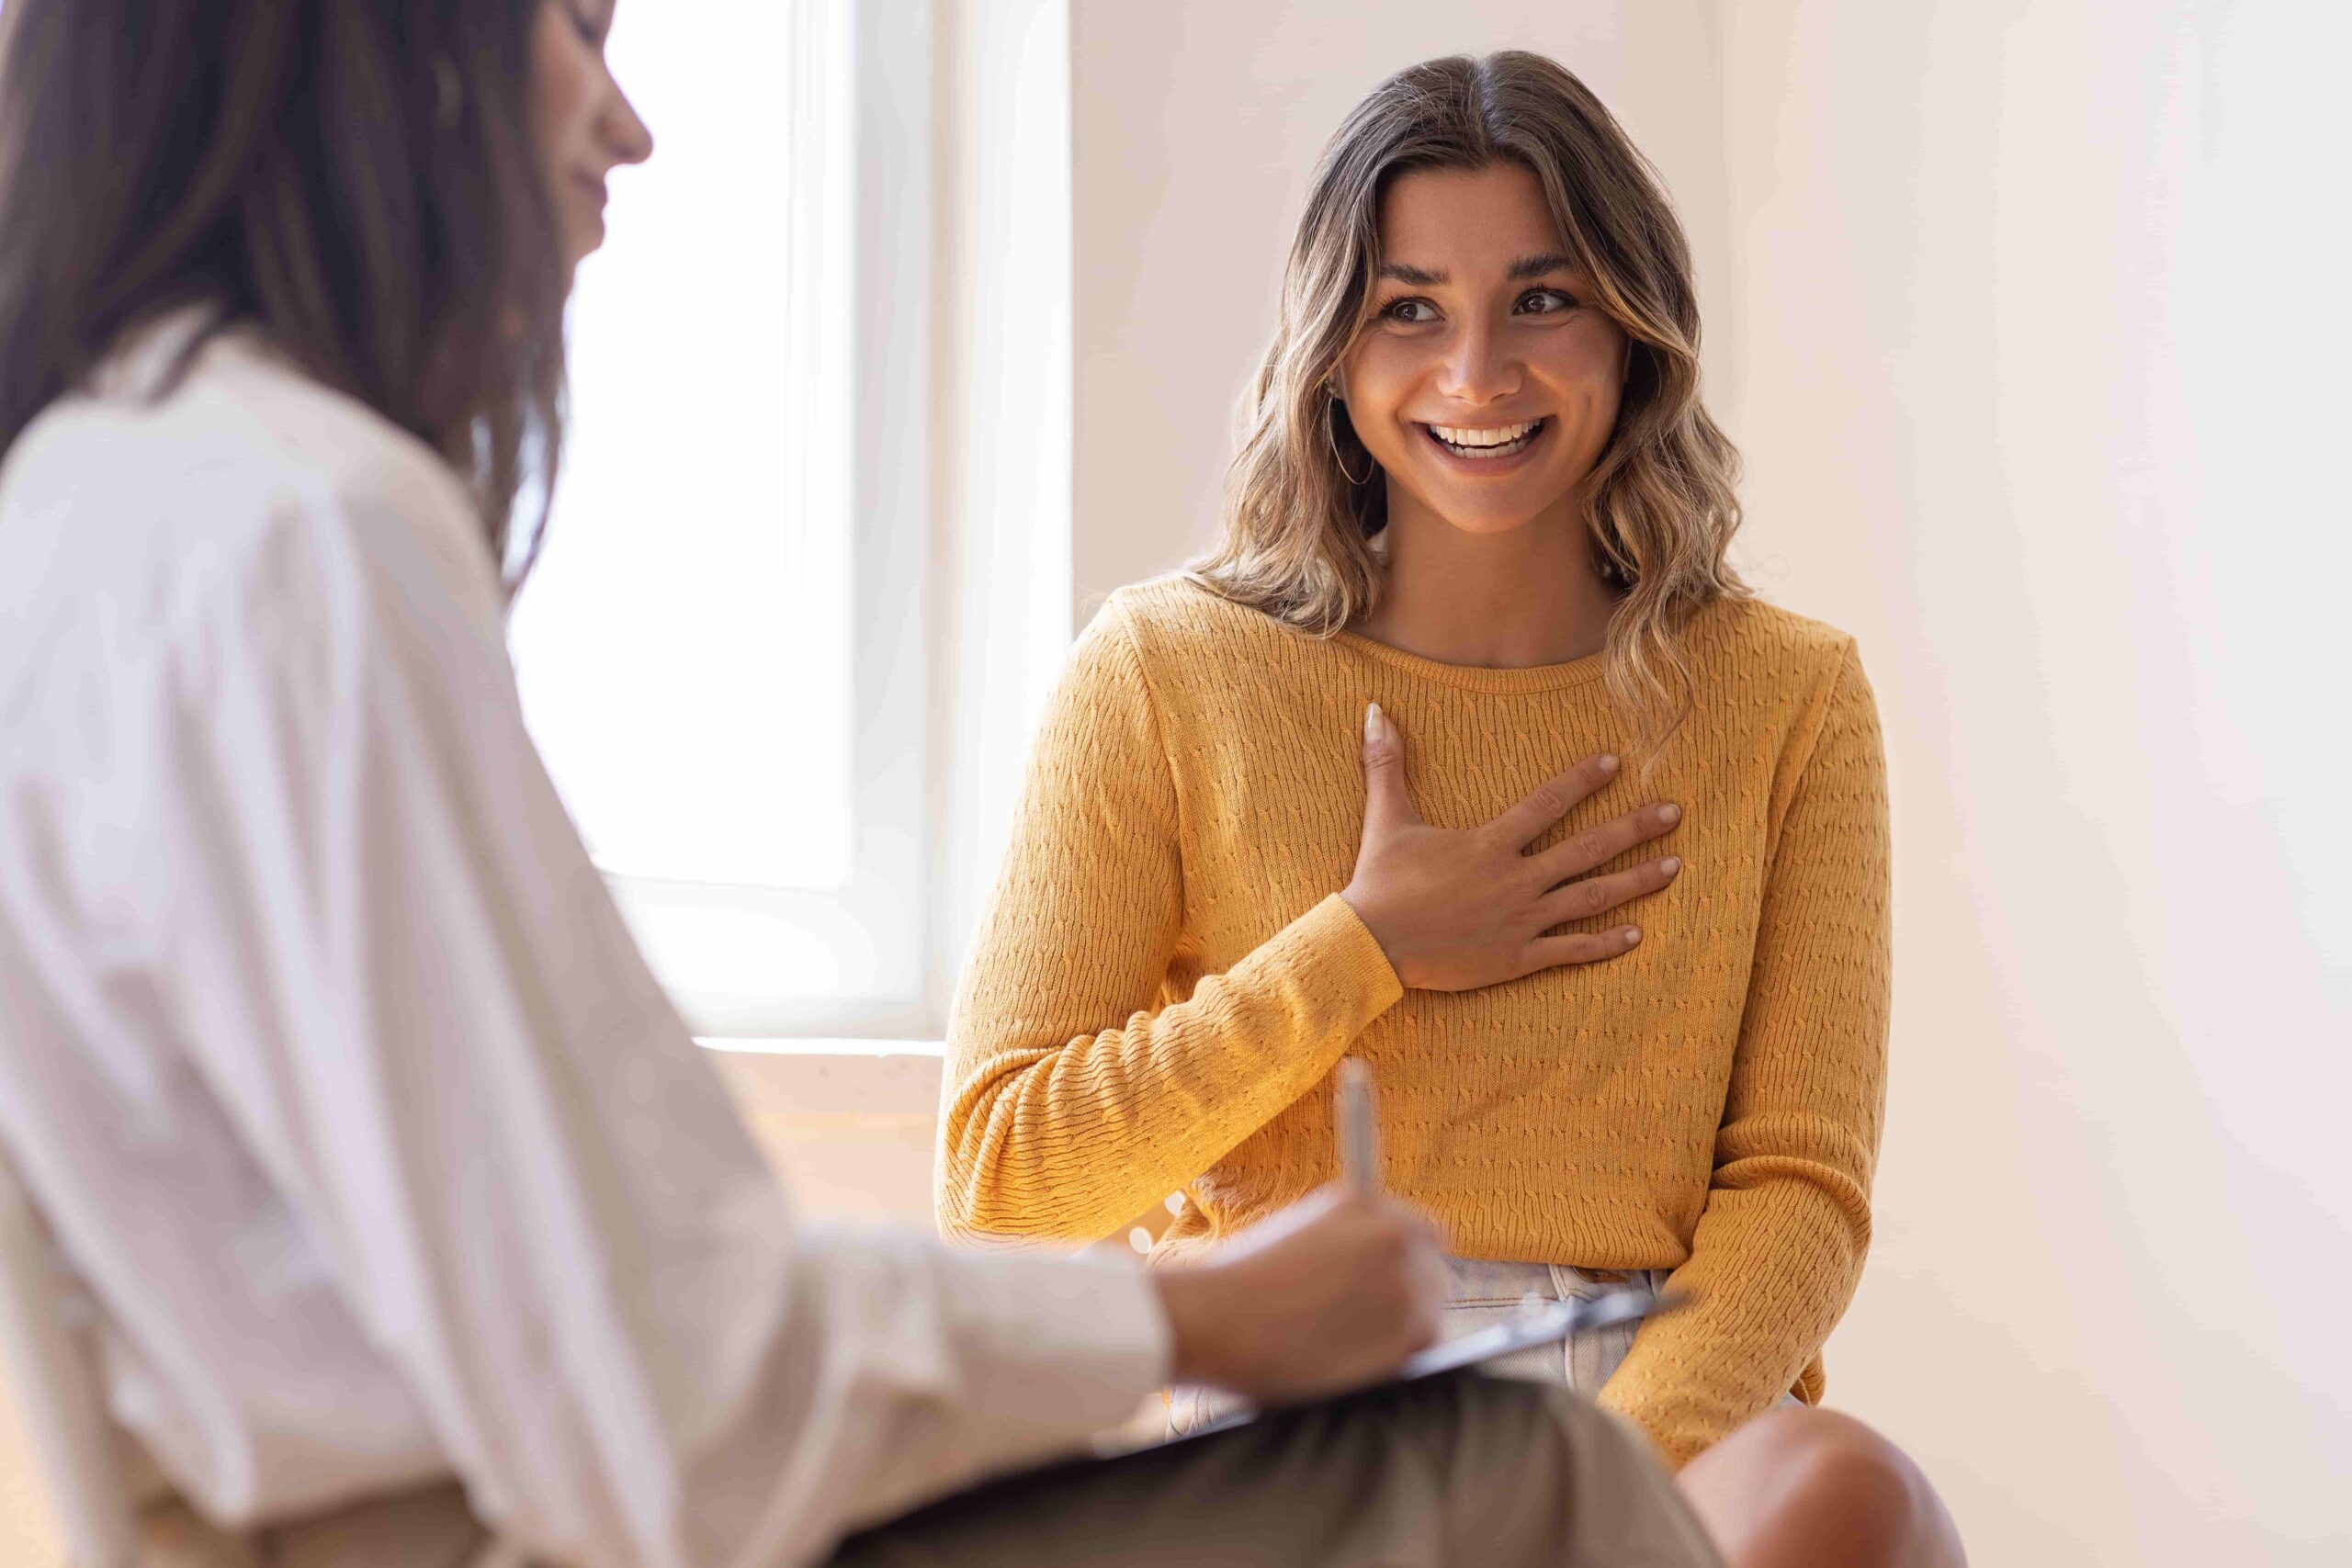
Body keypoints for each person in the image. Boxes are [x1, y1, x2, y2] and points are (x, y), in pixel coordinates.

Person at [0, 5, 1731, 1566]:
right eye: (579, 29)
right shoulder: (312, 544)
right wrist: (1199, 1323)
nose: (628, 127)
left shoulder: (83, 510)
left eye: (1544, 304)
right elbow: (696, 1401)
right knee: (1527, 1477)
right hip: (532, 1525)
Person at [936, 51, 1966, 1567]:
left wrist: (1590, 1473)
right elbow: (1000, 1189)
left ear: (1630, 330)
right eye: (1410, 308)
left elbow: (1801, 1194)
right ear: (1335, 354)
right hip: (1304, 1407)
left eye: (1541, 300)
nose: (1477, 372)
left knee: (1850, 1499)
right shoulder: (1160, 672)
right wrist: (1362, 947)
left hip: (1659, 1398)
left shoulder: (1788, 695)